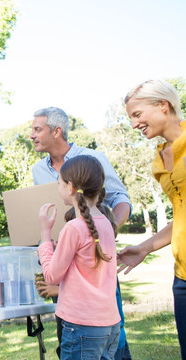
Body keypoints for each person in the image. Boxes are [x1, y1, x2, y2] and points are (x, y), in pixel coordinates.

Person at [30, 106, 133, 359]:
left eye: (36, 129)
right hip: (96, 312)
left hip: (83, 311)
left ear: (57, 131)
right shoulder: (38, 170)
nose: (31, 135)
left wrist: (87, 238)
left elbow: (121, 198)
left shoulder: (92, 158)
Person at [119, 79, 185, 358]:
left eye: (137, 115)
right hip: (182, 276)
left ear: (163, 105)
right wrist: (145, 247)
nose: (134, 125)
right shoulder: (161, 157)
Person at [38, 155, 121, 359]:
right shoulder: (107, 224)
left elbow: (51, 276)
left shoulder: (73, 227)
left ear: (70, 187)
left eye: (59, 182)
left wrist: (45, 235)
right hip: (110, 325)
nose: (58, 188)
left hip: (82, 327)